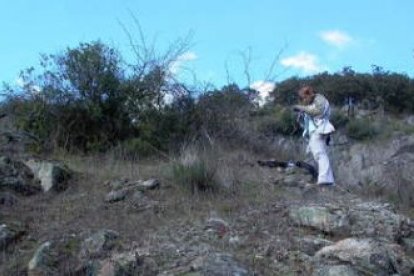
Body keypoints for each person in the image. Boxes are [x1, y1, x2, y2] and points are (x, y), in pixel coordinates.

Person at [293, 86, 335, 186]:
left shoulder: (319, 99)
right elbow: (308, 122)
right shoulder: (311, 104)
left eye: (304, 97)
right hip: (313, 132)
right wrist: (301, 117)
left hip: (319, 130)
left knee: (320, 154)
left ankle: (325, 179)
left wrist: (301, 108)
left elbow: (318, 112)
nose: (303, 100)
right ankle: (322, 178)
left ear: (309, 94)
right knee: (314, 155)